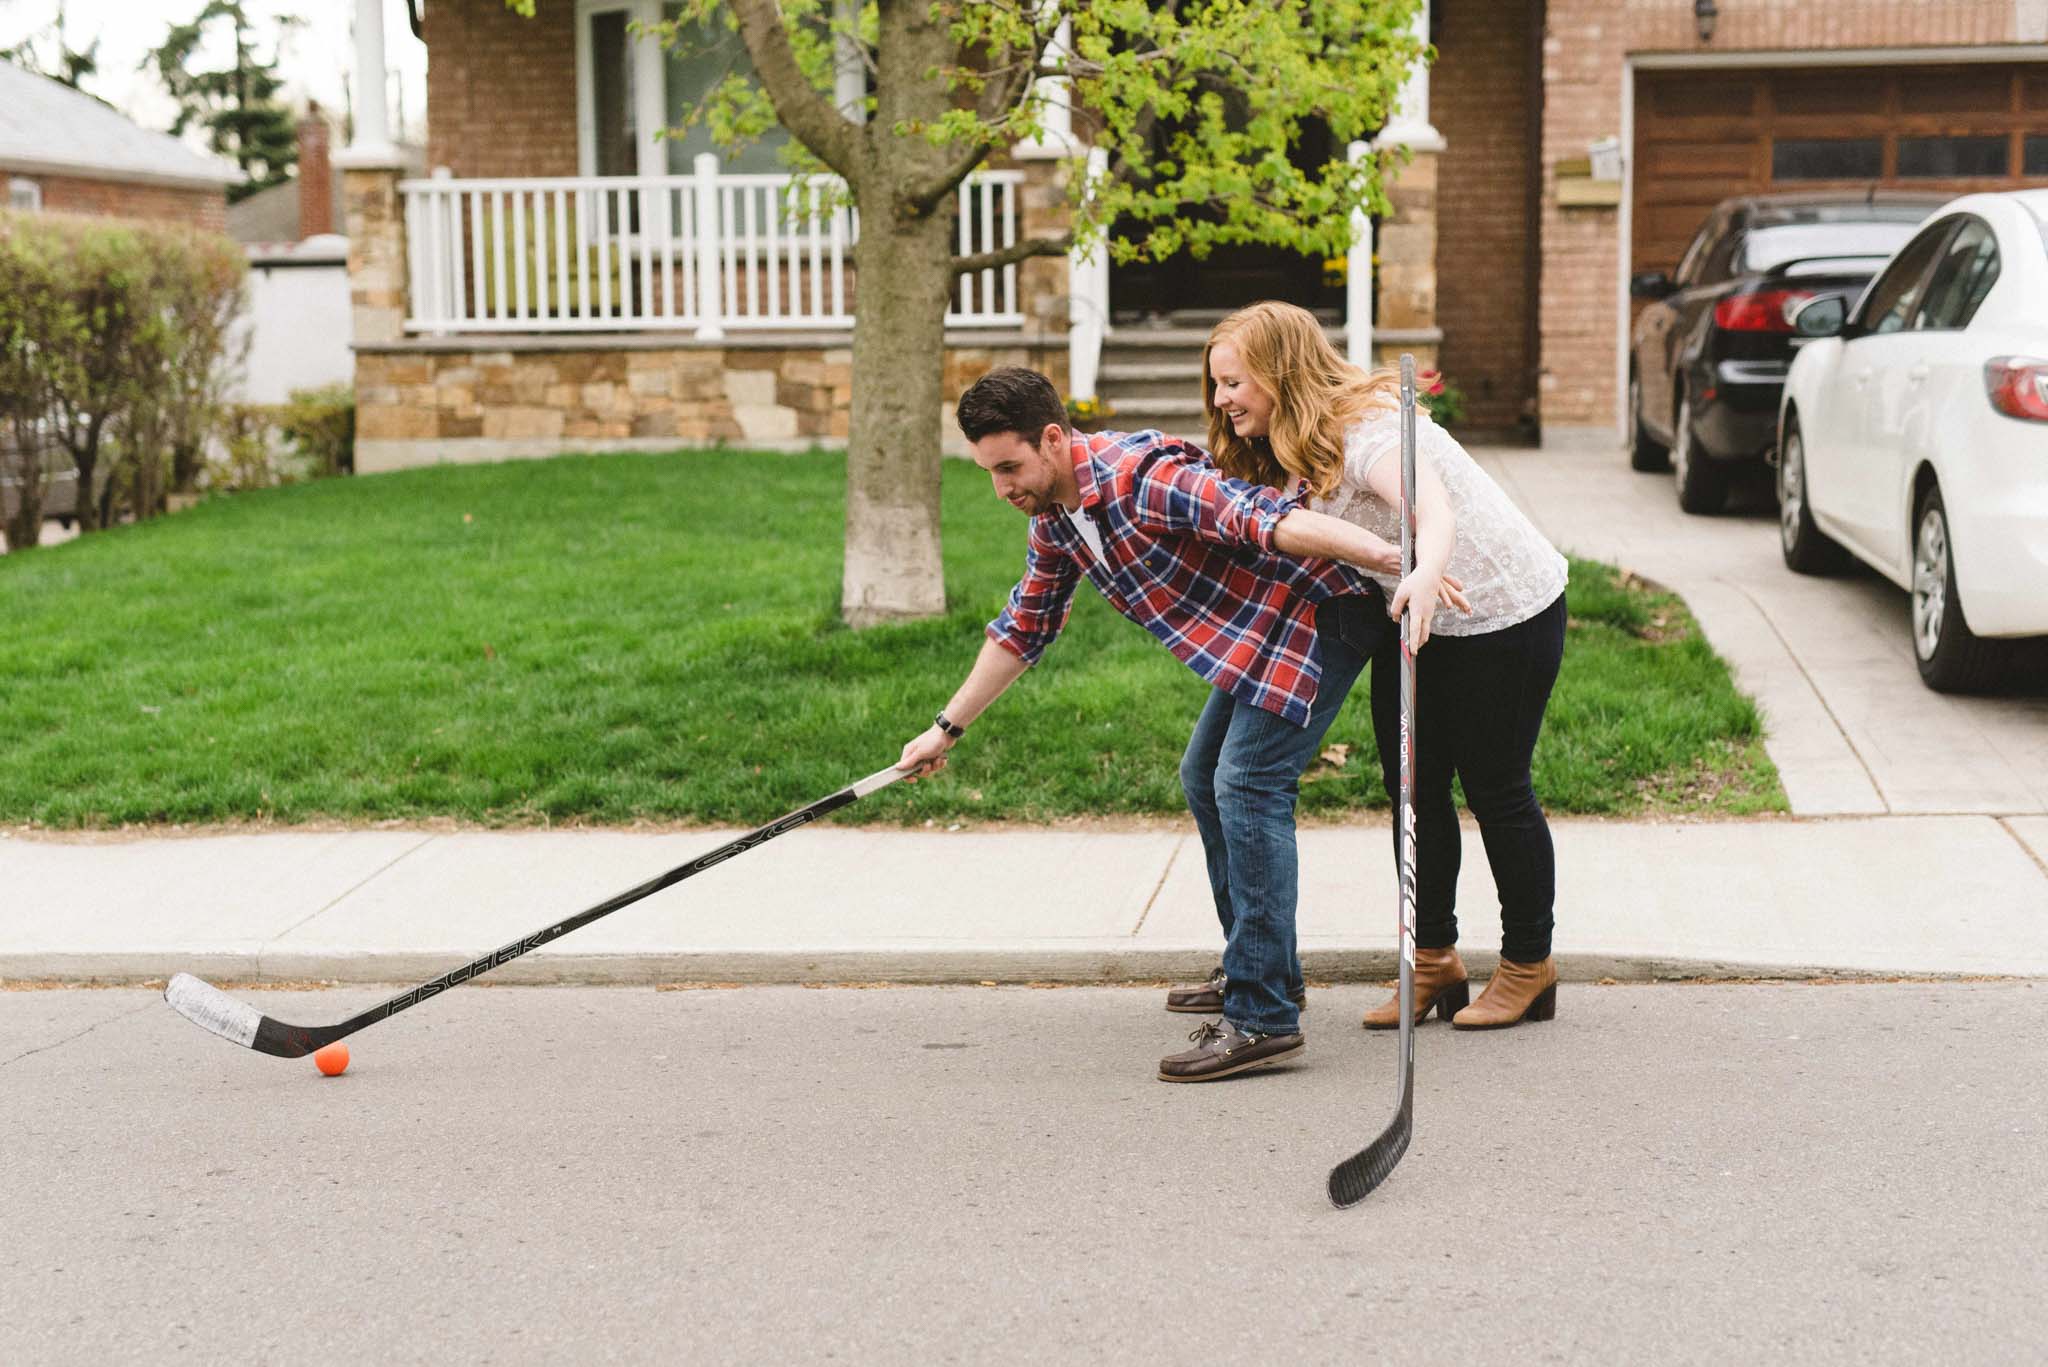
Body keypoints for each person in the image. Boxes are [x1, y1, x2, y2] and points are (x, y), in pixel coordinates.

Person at [896, 366, 1468, 1083]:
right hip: (1258, 629)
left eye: (1010, 466)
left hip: (1317, 612)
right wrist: (945, 728)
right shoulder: (1057, 517)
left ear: (1052, 438)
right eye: (989, 472)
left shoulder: (1139, 477)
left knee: (1248, 783)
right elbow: (1024, 626)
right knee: (1204, 775)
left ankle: (1262, 1016)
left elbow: (1262, 516)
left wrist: (1390, 556)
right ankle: (1263, 970)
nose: (1003, 486)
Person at [1203, 301, 1570, 1031]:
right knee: (1411, 788)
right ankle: (1432, 958)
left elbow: (1431, 509)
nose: (1221, 400)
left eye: (1234, 382)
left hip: (1502, 609)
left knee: (1496, 787)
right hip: (1409, 615)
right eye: (1216, 385)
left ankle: (1530, 965)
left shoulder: (1369, 434)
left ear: (1280, 374)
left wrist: (1428, 568)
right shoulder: (1286, 443)